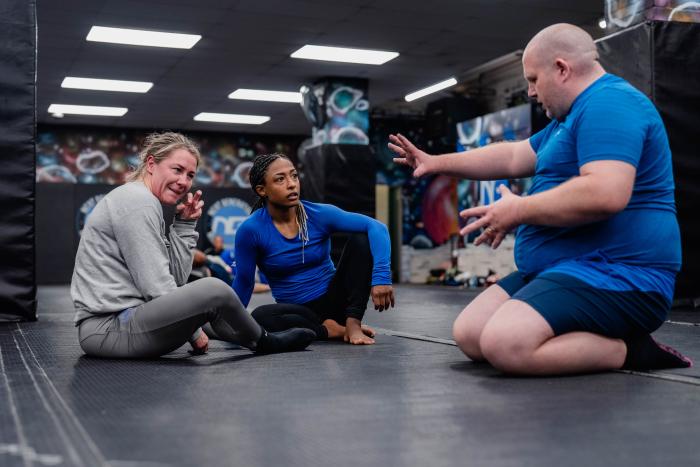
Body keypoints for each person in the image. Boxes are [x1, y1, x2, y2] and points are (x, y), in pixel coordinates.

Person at [389, 23, 692, 375]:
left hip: (620, 275)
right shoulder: (567, 120)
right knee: (470, 335)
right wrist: (435, 162)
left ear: (562, 69)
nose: (531, 92)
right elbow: (513, 157)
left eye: (533, 79)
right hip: (566, 267)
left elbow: (606, 193)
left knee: (506, 345)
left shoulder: (611, 104)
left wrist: (518, 210)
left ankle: (630, 350)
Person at [71, 132, 315, 358]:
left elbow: (174, 279)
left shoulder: (142, 200)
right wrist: (194, 334)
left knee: (206, 298)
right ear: (151, 164)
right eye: (177, 170)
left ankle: (248, 335)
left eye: (190, 175)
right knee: (213, 289)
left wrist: (185, 226)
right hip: (109, 330)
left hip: (123, 323)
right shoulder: (139, 201)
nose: (183, 181)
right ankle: (264, 341)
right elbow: (157, 288)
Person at [230, 153, 395, 345]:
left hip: (337, 300)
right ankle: (328, 330)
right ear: (262, 190)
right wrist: (232, 325)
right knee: (259, 317)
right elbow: (244, 282)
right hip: (298, 311)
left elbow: (376, 227)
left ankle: (352, 324)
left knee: (362, 238)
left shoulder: (319, 214)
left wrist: (381, 277)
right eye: (280, 179)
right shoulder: (251, 230)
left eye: (294, 176)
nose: (292, 184)